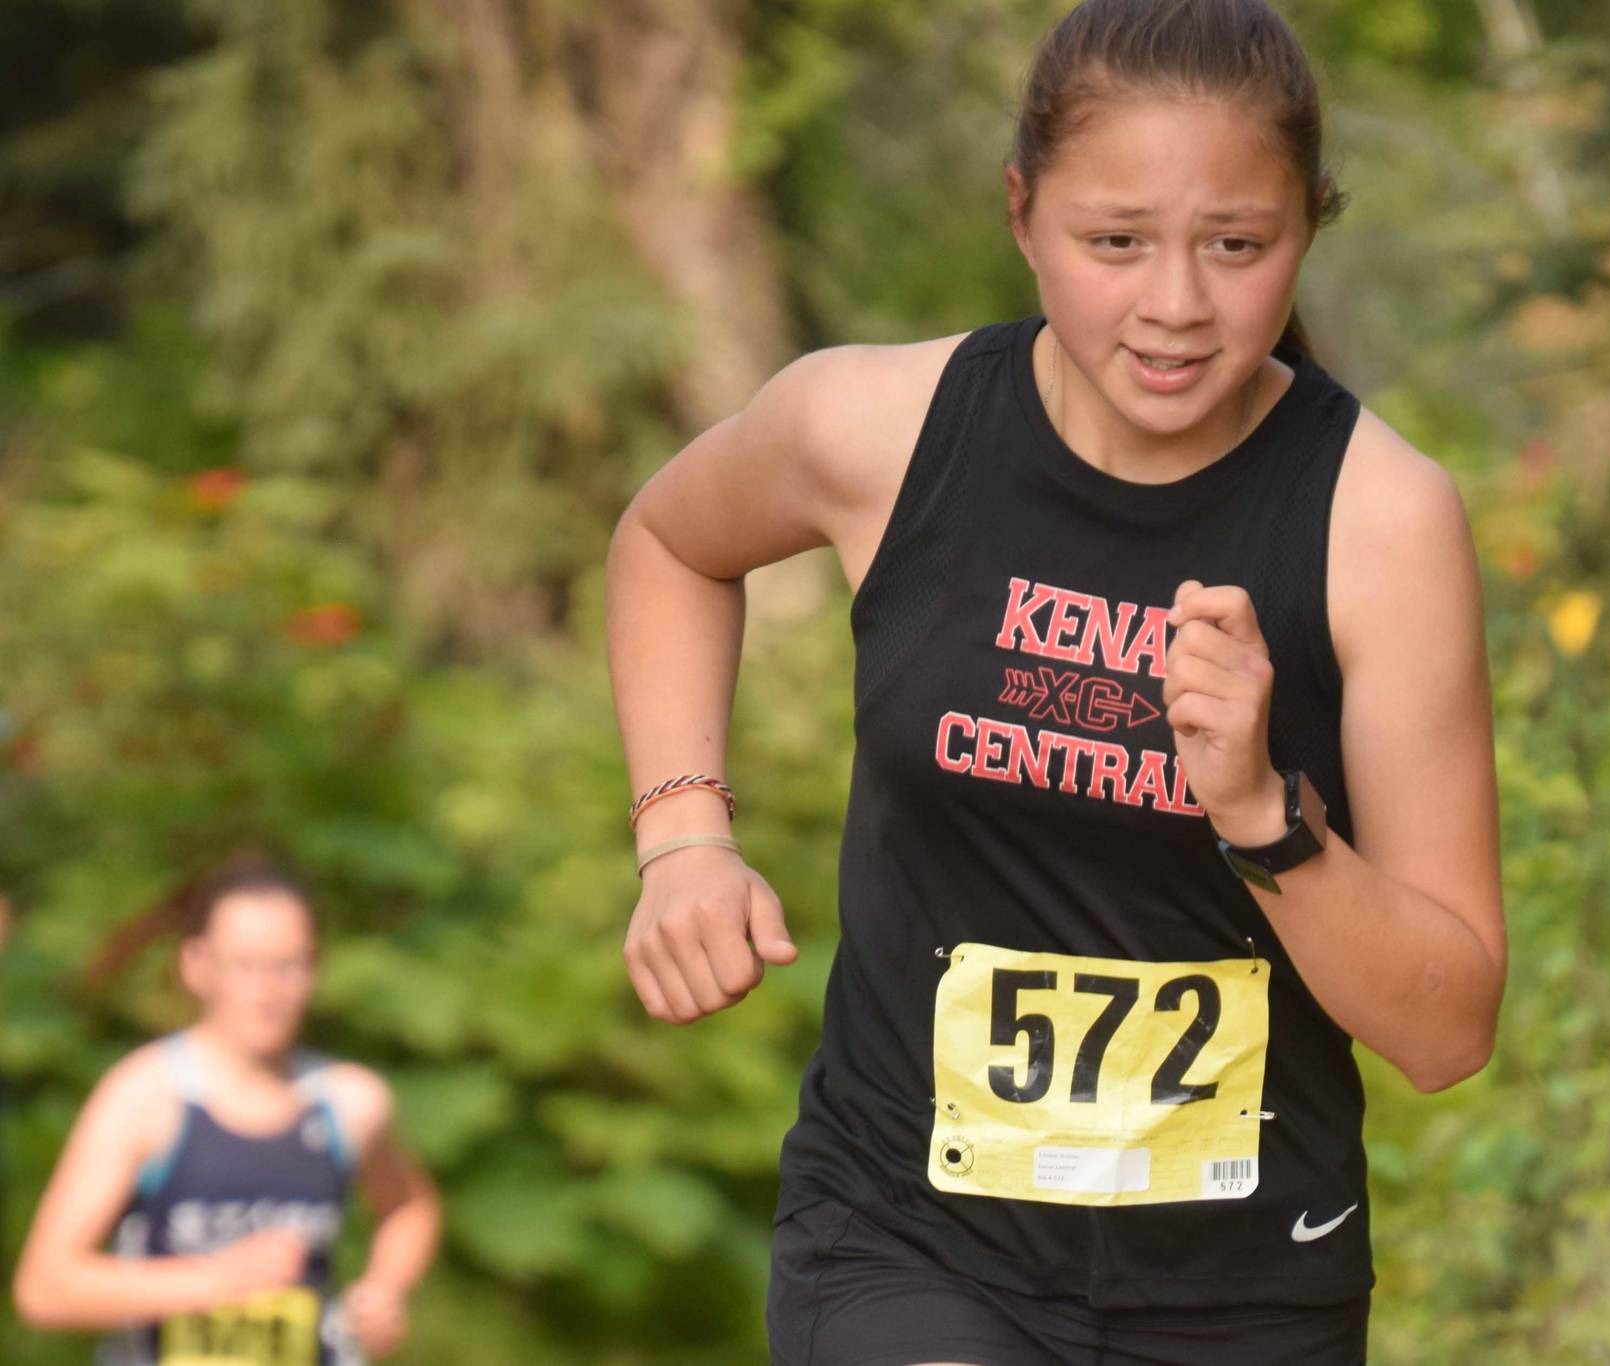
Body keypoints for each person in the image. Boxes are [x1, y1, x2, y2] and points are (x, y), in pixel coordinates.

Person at [606, 0, 1508, 1359]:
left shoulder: (1378, 522)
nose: (1177, 303)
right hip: (907, 1230)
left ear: (1308, 230)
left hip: (1247, 1282)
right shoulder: (877, 429)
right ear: (1022, 215)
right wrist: (682, 835)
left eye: (1238, 246)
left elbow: (1447, 1029)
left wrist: (1266, 813)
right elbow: (670, 542)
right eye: (1115, 242)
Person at [11, 852, 441, 1365]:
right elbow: (44, 1289)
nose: (266, 990)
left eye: (288, 966)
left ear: (315, 969)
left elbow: (411, 1208)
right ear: (197, 966)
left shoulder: (349, 1101)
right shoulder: (145, 1096)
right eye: (244, 965)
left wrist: (383, 1291)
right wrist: (212, 1282)